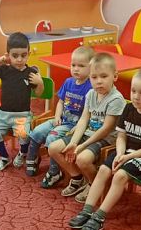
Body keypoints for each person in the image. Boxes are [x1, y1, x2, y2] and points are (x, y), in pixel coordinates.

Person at [68, 66, 141, 230]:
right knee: (103, 170)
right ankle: (87, 210)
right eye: (133, 91)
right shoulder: (128, 109)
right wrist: (121, 153)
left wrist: (128, 156)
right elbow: (121, 136)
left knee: (120, 175)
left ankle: (99, 217)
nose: (136, 96)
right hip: (126, 151)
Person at [47, 52, 125, 202]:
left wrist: (82, 146)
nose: (99, 81)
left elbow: (106, 129)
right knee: (53, 148)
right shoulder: (90, 94)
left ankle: (93, 184)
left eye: (104, 76)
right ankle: (77, 177)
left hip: (105, 139)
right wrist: (74, 142)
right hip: (88, 133)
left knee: (82, 159)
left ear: (115, 76)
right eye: (94, 77)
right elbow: (84, 119)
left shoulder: (116, 99)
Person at [25, 45, 94, 182]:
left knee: (52, 139)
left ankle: (54, 171)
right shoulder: (68, 82)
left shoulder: (91, 88)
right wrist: (57, 116)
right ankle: (32, 158)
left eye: (81, 66)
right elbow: (61, 102)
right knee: (37, 131)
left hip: (73, 126)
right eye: (73, 65)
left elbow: (90, 114)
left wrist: (78, 127)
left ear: (91, 68)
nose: (76, 69)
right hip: (61, 120)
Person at [0, 32, 43, 172]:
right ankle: (4, 157)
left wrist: (40, 83)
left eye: (23, 55)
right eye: (15, 56)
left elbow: (39, 93)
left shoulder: (31, 72)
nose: (19, 59)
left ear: (28, 54)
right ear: (8, 55)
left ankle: (22, 153)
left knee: (24, 135)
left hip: (22, 115)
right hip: (2, 114)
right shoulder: (5, 70)